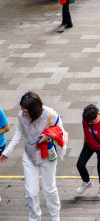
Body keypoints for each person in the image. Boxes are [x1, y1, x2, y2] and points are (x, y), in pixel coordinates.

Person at [0, 91, 64, 221]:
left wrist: (48, 137)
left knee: (49, 189)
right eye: (22, 110)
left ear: (34, 109)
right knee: (31, 192)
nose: (24, 113)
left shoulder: (50, 114)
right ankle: (34, 217)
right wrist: (7, 151)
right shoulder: (21, 116)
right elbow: (19, 132)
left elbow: (60, 132)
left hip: (47, 155)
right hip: (29, 156)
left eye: (26, 111)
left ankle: (55, 216)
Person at [76, 103, 100, 198]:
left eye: (91, 122)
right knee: (80, 164)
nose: (89, 123)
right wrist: (85, 141)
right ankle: (87, 181)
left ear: (97, 116)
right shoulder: (86, 120)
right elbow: (85, 130)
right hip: (89, 145)